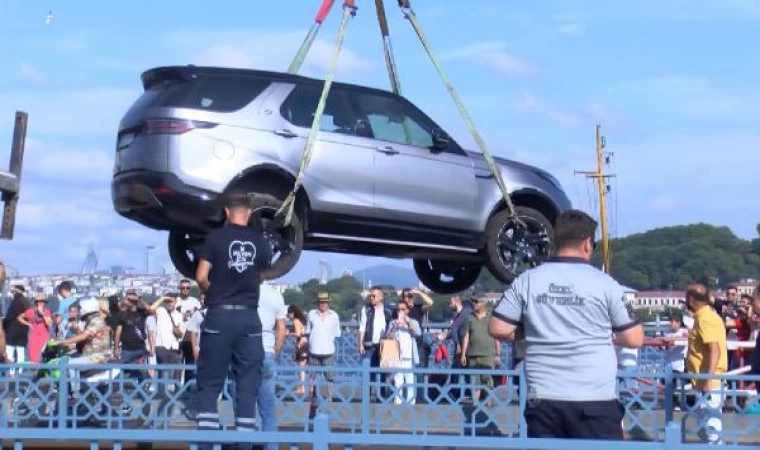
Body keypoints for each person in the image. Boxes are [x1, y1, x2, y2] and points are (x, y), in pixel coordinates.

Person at [488, 209, 644, 440]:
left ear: (553, 242)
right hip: (594, 397)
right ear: (587, 243)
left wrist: (531, 331)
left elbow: (498, 328)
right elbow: (634, 339)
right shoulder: (606, 284)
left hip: (543, 397)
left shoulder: (527, 280)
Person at [194, 189, 272, 449]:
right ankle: (244, 444)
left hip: (219, 315)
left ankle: (206, 445)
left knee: (209, 385)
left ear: (226, 211)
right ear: (249, 213)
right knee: (247, 387)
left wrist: (211, 291)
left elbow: (201, 276)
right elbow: (261, 274)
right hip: (249, 318)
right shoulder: (260, 242)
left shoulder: (215, 237)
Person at [684, 282, 728, 444]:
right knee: (705, 426)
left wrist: (709, 378)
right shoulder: (707, 316)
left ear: (692, 299)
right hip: (702, 380)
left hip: (709, 381)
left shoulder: (705, 319)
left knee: (711, 428)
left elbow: (714, 349)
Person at [256, 282, 287, 450]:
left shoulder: (240, 287)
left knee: (243, 407)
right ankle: (271, 447)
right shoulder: (275, 294)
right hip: (267, 352)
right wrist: (274, 352)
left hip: (244, 353)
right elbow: (281, 331)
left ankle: (244, 444)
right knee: (268, 408)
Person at [460, 290, 501, 405]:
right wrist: (463, 354)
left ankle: (489, 404)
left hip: (488, 354)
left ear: (483, 303)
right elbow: (466, 336)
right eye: (472, 301)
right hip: (472, 354)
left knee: (486, 379)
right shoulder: (469, 318)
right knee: (474, 381)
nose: (474, 304)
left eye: (476, 301)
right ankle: (475, 405)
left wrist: (498, 353)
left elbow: (496, 335)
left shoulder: (490, 317)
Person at [306, 292, 342, 400]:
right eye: (320, 302)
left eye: (324, 302)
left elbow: (337, 332)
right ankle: (312, 397)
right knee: (312, 375)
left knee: (330, 375)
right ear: (317, 303)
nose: (322, 304)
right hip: (314, 349)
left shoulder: (334, 315)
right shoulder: (311, 314)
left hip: (328, 350)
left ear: (328, 303)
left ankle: (330, 397)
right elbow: (308, 330)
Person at [386, 299, 421, 404]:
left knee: (410, 381)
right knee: (398, 381)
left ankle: (411, 403)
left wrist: (408, 322)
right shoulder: (393, 322)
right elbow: (388, 337)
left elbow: (418, 333)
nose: (400, 311)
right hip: (397, 356)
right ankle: (398, 402)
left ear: (407, 310)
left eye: (402, 309)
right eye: (398, 309)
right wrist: (394, 328)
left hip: (410, 357)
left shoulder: (413, 321)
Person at [18, 292, 53, 363]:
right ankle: (34, 373)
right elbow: (19, 317)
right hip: (33, 338)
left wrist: (42, 314)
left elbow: (49, 324)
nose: (41, 303)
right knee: (33, 358)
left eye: (43, 301)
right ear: (36, 302)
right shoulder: (31, 311)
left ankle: (42, 373)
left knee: (43, 358)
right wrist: (27, 323)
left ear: (45, 302)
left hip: (44, 337)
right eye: (39, 301)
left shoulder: (47, 312)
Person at [4, 286, 29, 372]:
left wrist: (3, 326)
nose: (12, 294)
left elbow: (9, 316)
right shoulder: (27, 302)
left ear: (16, 292)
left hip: (12, 331)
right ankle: (21, 371)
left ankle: (11, 372)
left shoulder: (16, 302)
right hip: (23, 331)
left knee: (10, 352)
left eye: (12, 292)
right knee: (21, 353)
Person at [287, 305, 308, 396]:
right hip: (306, 343)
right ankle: (301, 387)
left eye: (289, 314)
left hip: (301, 344)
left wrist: (288, 335)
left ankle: (302, 388)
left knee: (301, 367)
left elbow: (298, 334)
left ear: (293, 313)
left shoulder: (296, 320)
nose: (288, 316)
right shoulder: (301, 320)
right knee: (302, 367)